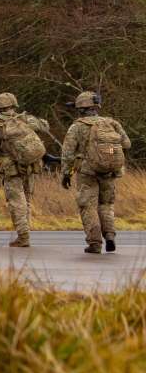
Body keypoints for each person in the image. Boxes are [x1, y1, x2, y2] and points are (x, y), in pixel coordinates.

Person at [60, 90, 131, 255]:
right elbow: (126, 144)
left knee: (87, 206)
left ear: (81, 108)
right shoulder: (112, 123)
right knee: (106, 204)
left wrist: (66, 174)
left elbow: (68, 153)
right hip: (110, 172)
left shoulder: (77, 126)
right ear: (96, 106)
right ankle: (110, 235)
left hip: (87, 173)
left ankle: (95, 243)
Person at [0, 91, 55, 249]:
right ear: (14, 105)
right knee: (26, 199)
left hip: (10, 169)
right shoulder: (25, 119)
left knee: (16, 201)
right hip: (30, 165)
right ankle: (25, 231)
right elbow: (45, 126)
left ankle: (23, 236)